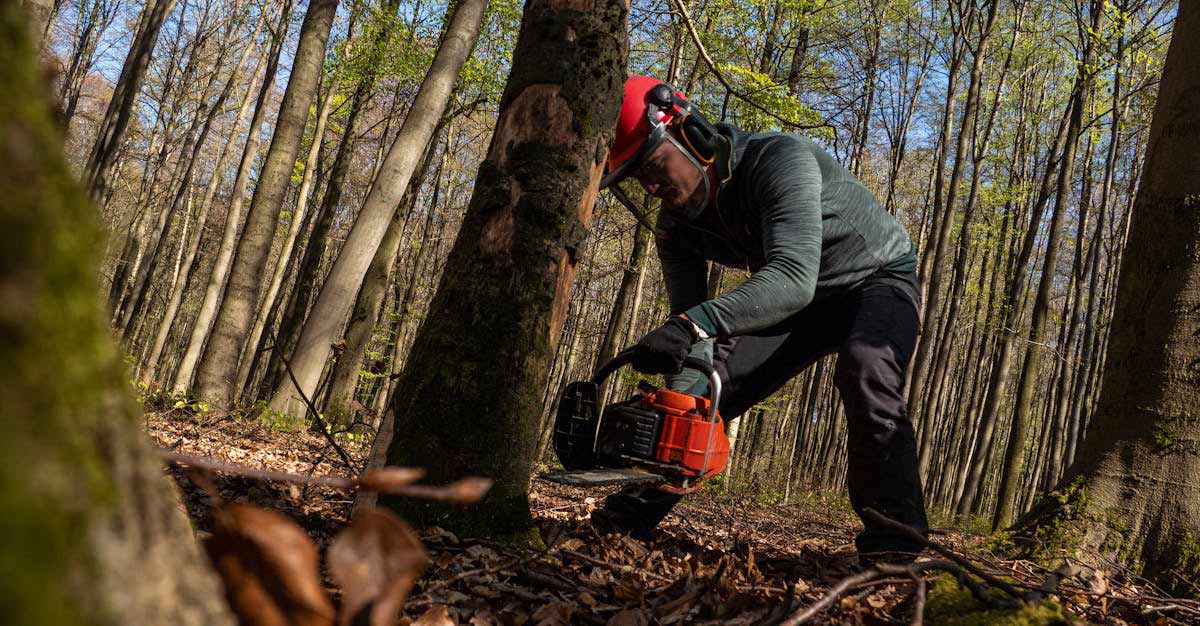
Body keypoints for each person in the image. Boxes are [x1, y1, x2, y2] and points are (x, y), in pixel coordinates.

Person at [593, 75, 929, 565]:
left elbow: (791, 277)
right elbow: (695, 333)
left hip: (875, 279)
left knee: (866, 369)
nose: (652, 186)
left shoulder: (779, 160)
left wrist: (691, 326)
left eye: (653, 164)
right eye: (637, 178)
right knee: (707, 389)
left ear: (691, 134)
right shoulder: (676, 226)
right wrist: (684, 370)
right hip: (803, 303)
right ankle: (629, 515)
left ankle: (894, 546)